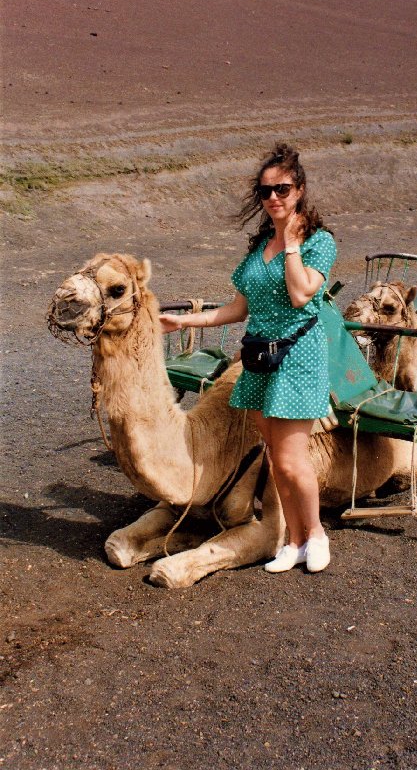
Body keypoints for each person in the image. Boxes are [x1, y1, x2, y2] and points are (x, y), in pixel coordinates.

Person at [160, 144, 337, 573]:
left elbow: (300, 294)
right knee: (275, 458)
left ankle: (315, 535)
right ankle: (293, 541)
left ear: (300, 190)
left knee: (294, 459)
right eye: (266, 191)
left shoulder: (319, 242)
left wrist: (292, 244)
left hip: (298, 358)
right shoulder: (259, 246)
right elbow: (237, 310)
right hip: (259, 358)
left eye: (282, 189)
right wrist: (185, 322)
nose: (273, 198)